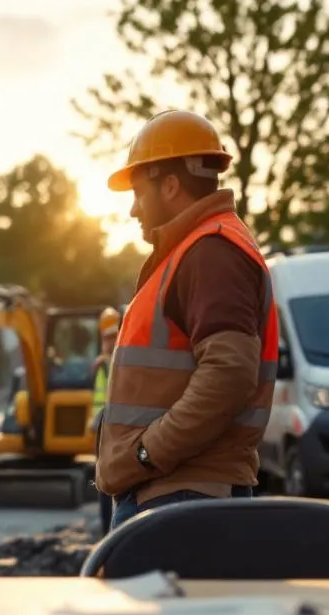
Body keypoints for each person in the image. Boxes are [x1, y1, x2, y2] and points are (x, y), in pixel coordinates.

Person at [95, 108, 279, 531]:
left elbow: (229, 375)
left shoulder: (211, 252)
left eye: (139, 193)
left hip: (181, 493)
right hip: (174, 490)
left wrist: (146, 454)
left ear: (172, 186)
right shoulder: (195, 251)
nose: (133, 210)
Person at [90, 310, 119, 535]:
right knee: (104, 483)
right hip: (102, 428)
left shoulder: (121, 359)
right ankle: (106, 532)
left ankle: (114, 530)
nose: (109, 341)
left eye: (113, 336)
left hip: (116, 427)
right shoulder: (101, 365)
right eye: (106, 337)